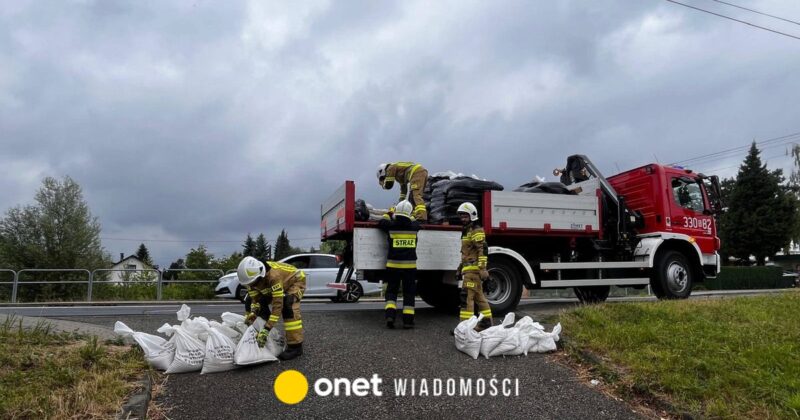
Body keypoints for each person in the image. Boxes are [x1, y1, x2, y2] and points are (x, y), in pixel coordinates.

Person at [237, 256, 306, 360]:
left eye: (252, 283)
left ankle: (296, 347)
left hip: (295, 280)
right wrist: (254, 312)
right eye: (249, 284)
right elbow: (255, 299)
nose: (251, 285)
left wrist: (267, 328)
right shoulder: (251, 279)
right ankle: (264, 334)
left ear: (260, 276)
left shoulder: (273, 277)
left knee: (288, 306)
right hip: (277, 282)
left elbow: (278, 305)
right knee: (261, 304)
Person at [378, 200, 421, 329]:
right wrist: (410, 215)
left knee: (391, 292)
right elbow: (415, 221)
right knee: (409, 294)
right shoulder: (415, 227)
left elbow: (382, 221)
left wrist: (390, 212)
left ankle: (390, 316)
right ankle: (408, 321)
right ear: (409, 213)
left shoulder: (391, 226)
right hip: (409, 268)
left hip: (393, 266)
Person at [456, 202, 492, 331]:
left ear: (472, 216)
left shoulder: (476, 230)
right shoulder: (468, 231)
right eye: (461, 217)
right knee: (479, 298)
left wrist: (482, 268)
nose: (462, 219)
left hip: (473, 271)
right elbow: (467, 252)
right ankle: (487, 324)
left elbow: (483, 249)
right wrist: (460, 267)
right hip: (469, 270)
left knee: (466, 298)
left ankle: (464, 327)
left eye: (465, 216)